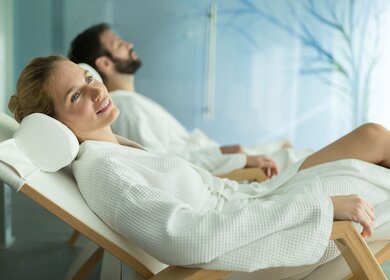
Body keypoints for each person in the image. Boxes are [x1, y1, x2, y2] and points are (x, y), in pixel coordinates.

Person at [8, 55, 390, 279]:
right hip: (262, 237)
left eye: (88, 78)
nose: (96, 91)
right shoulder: (105, 174)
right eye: (76, 95)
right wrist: (319, 207)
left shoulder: (115, 152)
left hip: (256, 203)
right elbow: (190, 238)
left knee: (374, 139)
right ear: (56, 126)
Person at [67, 23, 310, 177]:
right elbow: (165, 164)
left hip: (211, 155)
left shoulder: (130, 103)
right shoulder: (126, 109)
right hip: (215, 167)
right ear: (105, 64)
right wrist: (237, 157)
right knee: (301, 158)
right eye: (119, 44)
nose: (129, 44)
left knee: (289, 147)